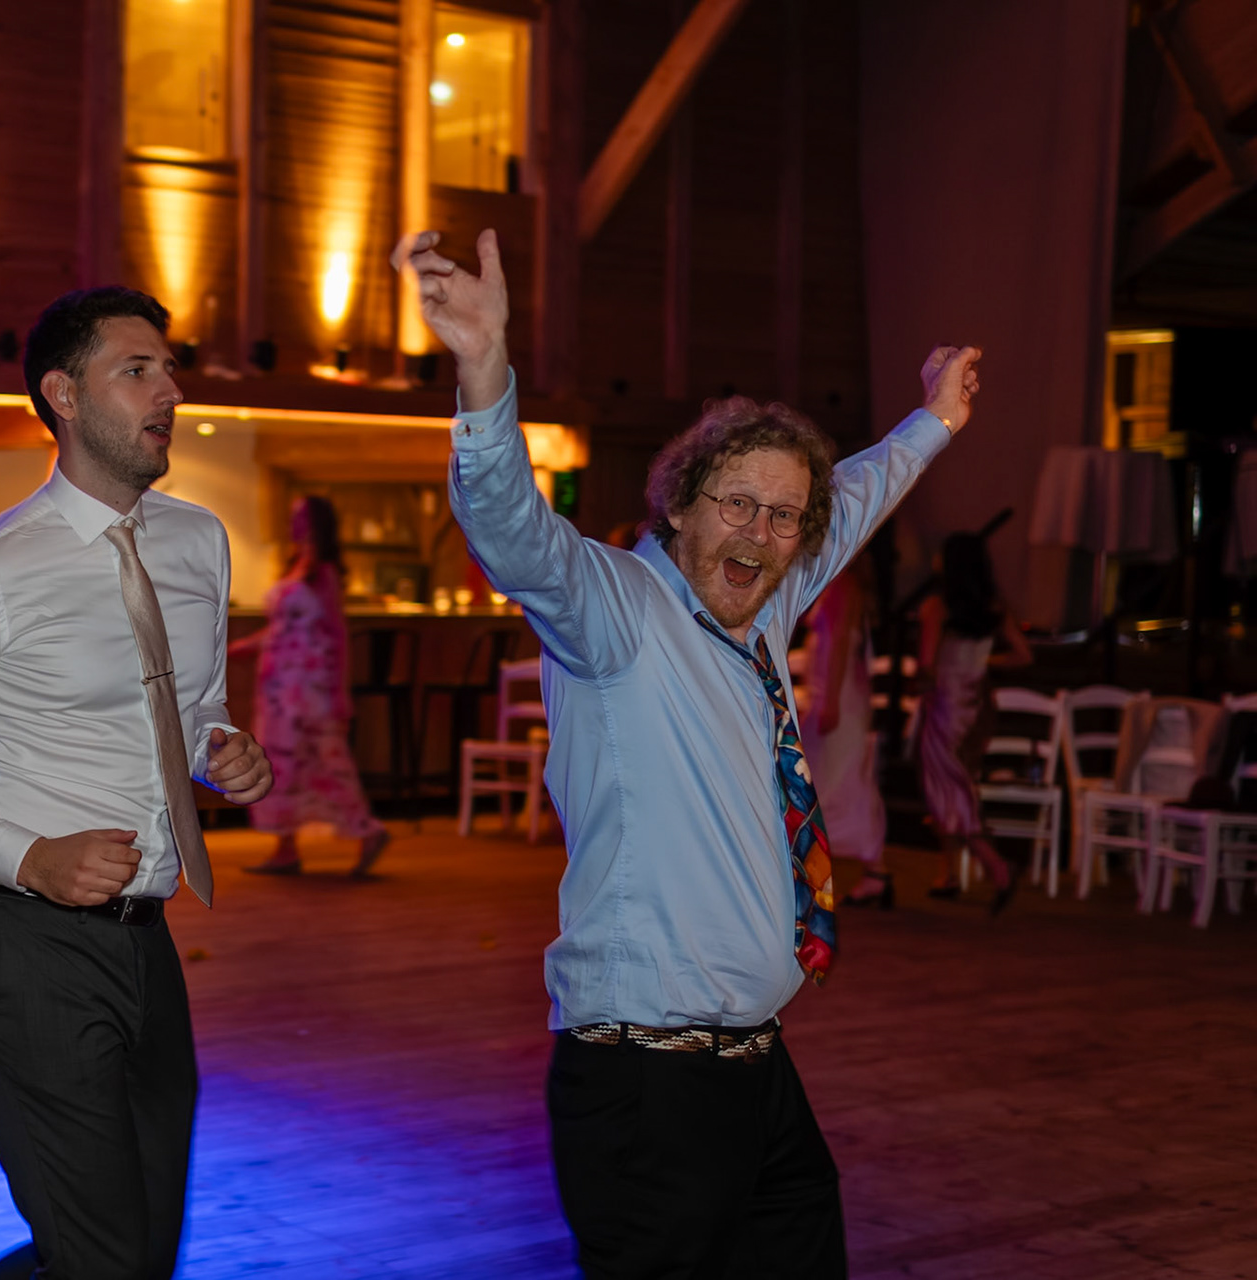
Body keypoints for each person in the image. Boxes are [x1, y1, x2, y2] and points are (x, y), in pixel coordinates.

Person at [393, 226, 979, 1276]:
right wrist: (482, 369)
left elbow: (852, 499)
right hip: (648, 1088)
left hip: (756, 1073)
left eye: (783, 516)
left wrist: (933, 419)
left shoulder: (765, 602)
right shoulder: (614, 608)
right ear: (677, 503)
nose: (761, 532)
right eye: (738, 503)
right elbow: (513, 531)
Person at [0, 285, 273, 1280]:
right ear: (65, 395)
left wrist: (223, 748)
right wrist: (31, 856)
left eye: (169, 369)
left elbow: (195, 702)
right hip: (18, 943)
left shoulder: (199, 542)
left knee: (139, 1252)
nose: (169, 391)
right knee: (104, 1256)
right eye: (137, 370)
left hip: (146, 937)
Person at [229, 495, 389, 876]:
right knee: (282, 762)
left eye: (299, 516)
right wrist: (247, 645)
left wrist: (340, 692)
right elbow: (283, 629)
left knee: (325, 758)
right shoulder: (295, 567)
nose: (293, 523)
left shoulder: (324, 574)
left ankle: (367, 830)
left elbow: (336, 633)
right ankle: (286, 847)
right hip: (279, 685)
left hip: (310, 686)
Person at [916, 531, 1033, 910]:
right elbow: (1023, 656)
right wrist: (982, 663)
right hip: (974, 706)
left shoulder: (938, 607)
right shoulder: (994, 607)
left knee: (946, 787)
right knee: (955, 784)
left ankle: (995, 865)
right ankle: (959, 870)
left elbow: (927, 666)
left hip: (944, 709)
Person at [799, 556, 891, 907]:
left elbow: (838, 644)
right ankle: (872, 871)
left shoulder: (844, 585)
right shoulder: (839, 584)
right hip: (832, 695)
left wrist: (830, 702)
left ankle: (824, 872)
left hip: (835, 698)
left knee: (833, 781)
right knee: (833, 779)